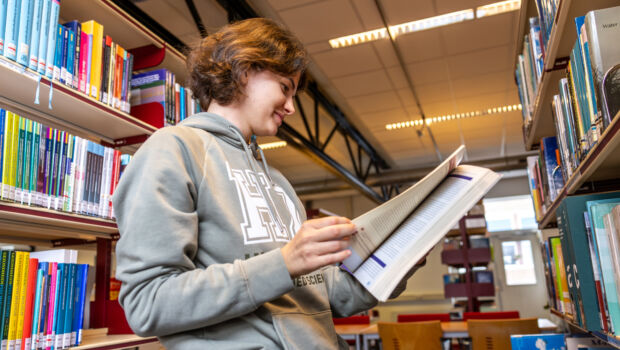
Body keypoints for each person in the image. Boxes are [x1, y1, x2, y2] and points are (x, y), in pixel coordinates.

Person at [113, 18, 423, 349]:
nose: (291, 107)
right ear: (245, 71)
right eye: (285, 88)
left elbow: (328, 297)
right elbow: (148, 303)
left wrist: (400, 258)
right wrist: (283, 263)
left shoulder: (278, 182)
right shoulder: (174, 149)